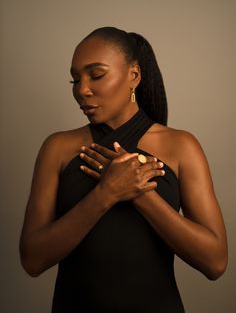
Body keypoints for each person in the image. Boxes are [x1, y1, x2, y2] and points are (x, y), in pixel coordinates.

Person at [19, 26, 228, 312]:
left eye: (97, 74)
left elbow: (215, 262)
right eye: (75, 79)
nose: (82, 89)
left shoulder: (181, 147)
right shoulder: (57, 148)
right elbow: (32, 260)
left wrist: (140, 194)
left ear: (134, 75)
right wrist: (106, 193)